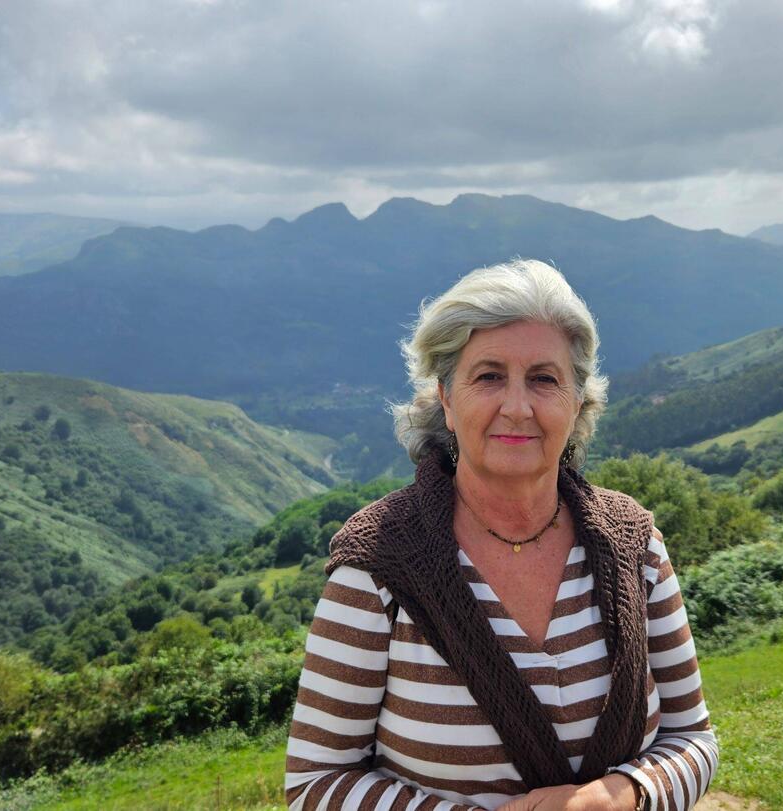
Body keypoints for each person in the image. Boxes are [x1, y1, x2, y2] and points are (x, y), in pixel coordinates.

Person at [284, 259, 718, 811]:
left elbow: (693, 739)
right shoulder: (377, 565)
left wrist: (622, 796)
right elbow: (315, 781)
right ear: (445, 396)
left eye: (544, 379)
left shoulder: (634, 544)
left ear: (578, 400)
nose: (517, 407)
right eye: (488, 376)